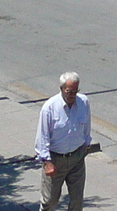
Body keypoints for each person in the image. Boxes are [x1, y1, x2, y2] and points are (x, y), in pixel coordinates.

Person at [35, 71, 92, 211]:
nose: (72, 95)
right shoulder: (49, 108)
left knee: (77, 200)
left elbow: (87, 127)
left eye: (75, 91)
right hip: (55, 160)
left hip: (77, 158)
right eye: (69, 91)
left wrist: (85, 147)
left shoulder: (83, 102)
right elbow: (42, 138)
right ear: (61, 89)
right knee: (50, 200)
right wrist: (47, 162)